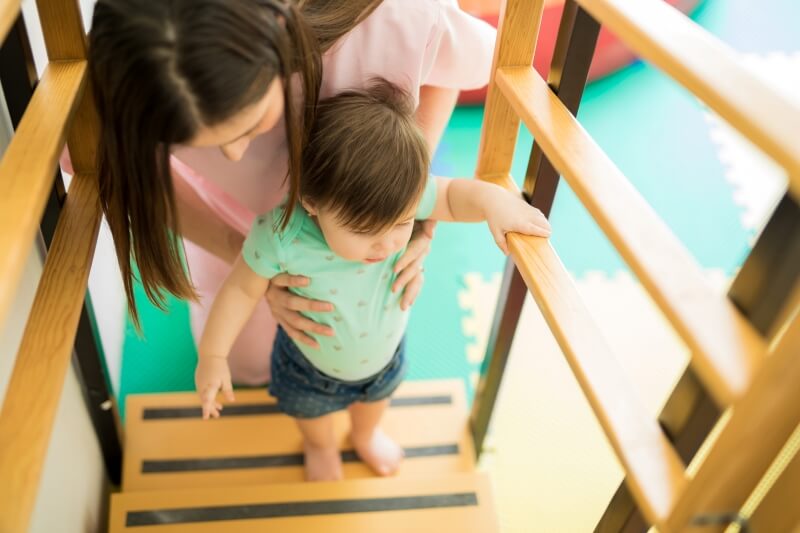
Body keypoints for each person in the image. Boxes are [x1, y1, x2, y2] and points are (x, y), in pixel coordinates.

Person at [88, 0, 497, 384]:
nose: (232, 153)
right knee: (246, 367)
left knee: (370, 341)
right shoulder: (131, 79)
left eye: (250, 124)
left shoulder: (396, 17)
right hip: (230, 218)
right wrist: (252, 262)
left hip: (360, 211)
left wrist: (401, 196)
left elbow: (449, 69)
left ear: (277, 35)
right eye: (196, 142)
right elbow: (129, 180)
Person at [194, 79, 552, 481]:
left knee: (376, 403)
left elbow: (450, 197)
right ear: (312, 203)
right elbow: (241, 288)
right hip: (308, 364)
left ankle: (365, 436)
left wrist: (495, 203)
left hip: (384, 354)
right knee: (310, 415)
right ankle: (320, 446)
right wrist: (213, 355)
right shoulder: (282, 236)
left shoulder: (398, 193)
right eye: (365, 231)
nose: (387, 244)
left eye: (401, 223)